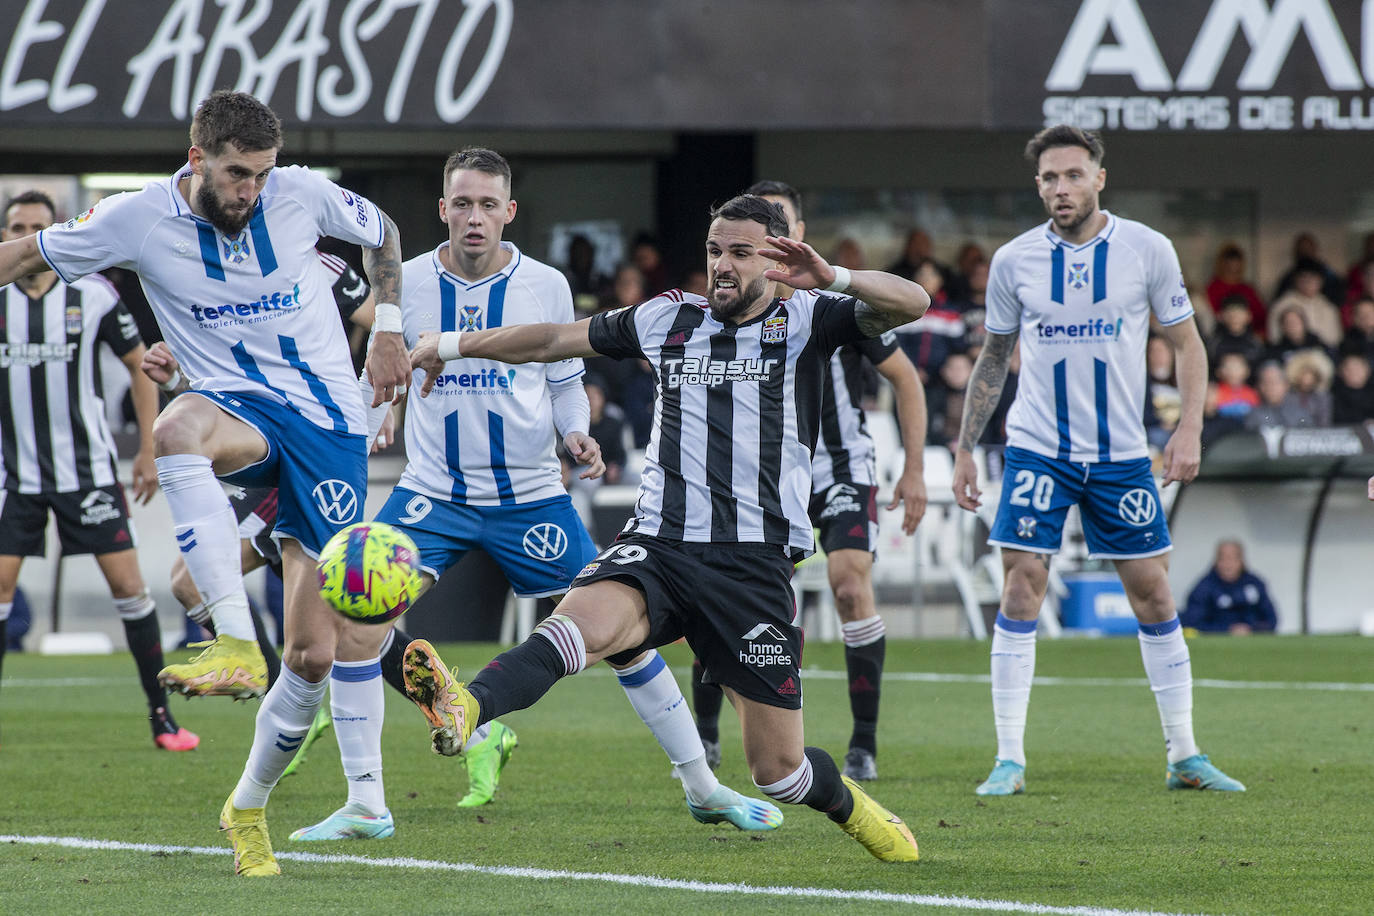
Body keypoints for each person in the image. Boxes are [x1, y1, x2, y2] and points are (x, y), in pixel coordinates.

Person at [403, 193, 930, 861]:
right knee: (573, 628)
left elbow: (913, 303)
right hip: (659, 543)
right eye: (715, 252)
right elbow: (549, 339)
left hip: (751, 565)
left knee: (780, 773)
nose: (724, 266)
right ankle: (467, 707)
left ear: (774, 259)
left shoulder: (813, 318)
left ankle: (850, 804)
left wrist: (837, 277)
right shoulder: (666, 317)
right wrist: (446, 345)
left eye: (741, 252)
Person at [289, 148, 782, 841]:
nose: (474, 217)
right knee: (355, 623)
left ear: (509, 212)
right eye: (461, 204)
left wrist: (576, 433)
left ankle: (701, 785)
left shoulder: (544, 285)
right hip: (433, 493)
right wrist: (382, 414)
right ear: (442, 211)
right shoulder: (408, 285)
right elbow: (380, 368)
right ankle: (367, 803)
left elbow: (561, 378)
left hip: (530, 498)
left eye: (488, 205)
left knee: (625, 640)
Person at [0, 91, 412, 876]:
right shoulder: (135, 218)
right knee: (174, 430)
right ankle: (229, 638)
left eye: (260, 174)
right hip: (237, 412)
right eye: (235, 174)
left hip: (328, 427)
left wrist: (388, 327)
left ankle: (247, 804)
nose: (249, 190)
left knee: (316, 653)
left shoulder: (302, 196)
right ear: (196, 160)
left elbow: (384, 232)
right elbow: (22, 258)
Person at [951, 125, 1244, 796]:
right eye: (1050, 178)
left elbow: (1190, 345)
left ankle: (1184, 754)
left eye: (1073, 175)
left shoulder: (1148, 248)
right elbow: (994, 359)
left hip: (1119, 455)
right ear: (1038, 186)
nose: (1061, 188)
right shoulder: (1014, 260)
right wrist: (967, 447)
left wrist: (1189, 429)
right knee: (1022, 582)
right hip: (1037, 450)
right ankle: (1009, 759)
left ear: (1099, 178)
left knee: (1154, 591)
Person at [688, 180, 929, 782]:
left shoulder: (828, 304)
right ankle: (706, 736)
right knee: (724, 591)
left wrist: (916, 467)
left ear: (796, 234)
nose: (779, 239)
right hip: (762, 469)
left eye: (786, 226)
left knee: (851, 586)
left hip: (840, 462)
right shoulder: (732, 305)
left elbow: (906, 376)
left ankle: (863, 744)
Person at [0, 190, 197, 753]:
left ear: (53, 231)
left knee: (130, 589)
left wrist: (145, 450)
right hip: (15, 478)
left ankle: (161, 718)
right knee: (1, 590)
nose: (26, 235)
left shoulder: (90, 294)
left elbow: (141, 367)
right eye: (17, 226)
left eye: (37, 226)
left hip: (87, 473)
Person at [1182, 540, 1277, 634]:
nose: (1228, 564)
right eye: (1223, 558)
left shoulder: (1255, 584)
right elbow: (1192, 622)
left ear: (1241, 560)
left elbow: (1272, 620)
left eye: (1233, 558)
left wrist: (1251, 629)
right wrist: (1227, 629)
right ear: (1216, 561)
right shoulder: (1204, 587)